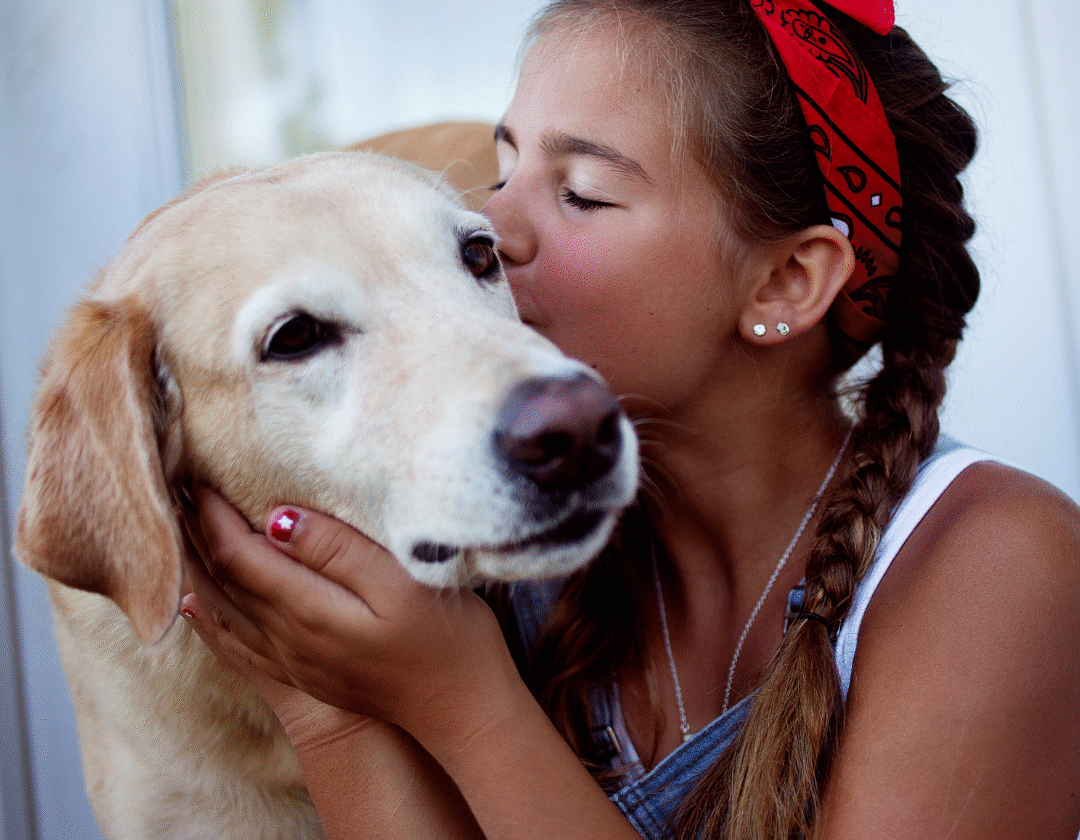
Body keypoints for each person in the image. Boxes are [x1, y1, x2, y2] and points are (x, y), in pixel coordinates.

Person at [180, 1, 1080, 838]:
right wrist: (320, 694)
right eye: (502, 171)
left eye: (578, 193)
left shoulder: (1001, 563)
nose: (490, 227)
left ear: (784, 284)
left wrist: (461, 702)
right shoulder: (506, 536)